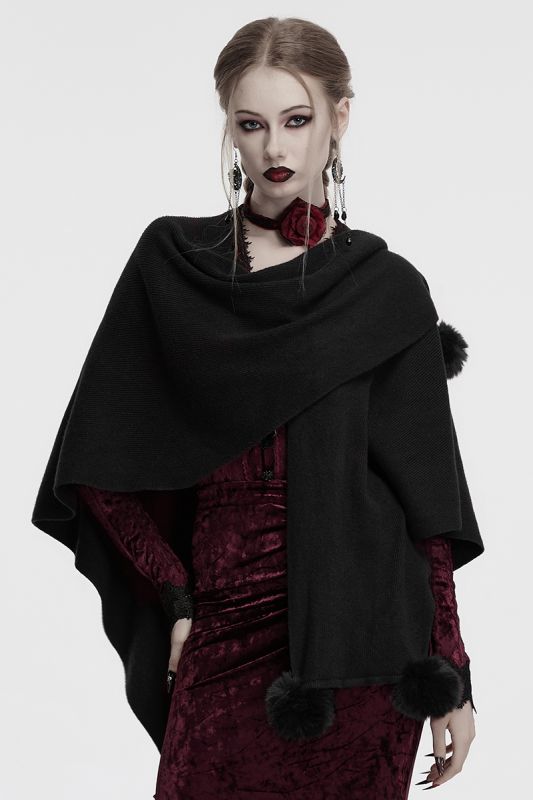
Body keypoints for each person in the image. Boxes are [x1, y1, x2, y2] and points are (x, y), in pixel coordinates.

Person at [31, 16, 485, 800]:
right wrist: (175, 596)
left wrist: (453, 674)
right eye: (251, 124)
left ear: (340, 118)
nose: (275, 147)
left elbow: (428, 509)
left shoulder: (386, 291)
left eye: (296, 120)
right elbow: (101, 461)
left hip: (368, 646)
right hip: (225, 623)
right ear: (228, 129)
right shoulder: (174, 264)